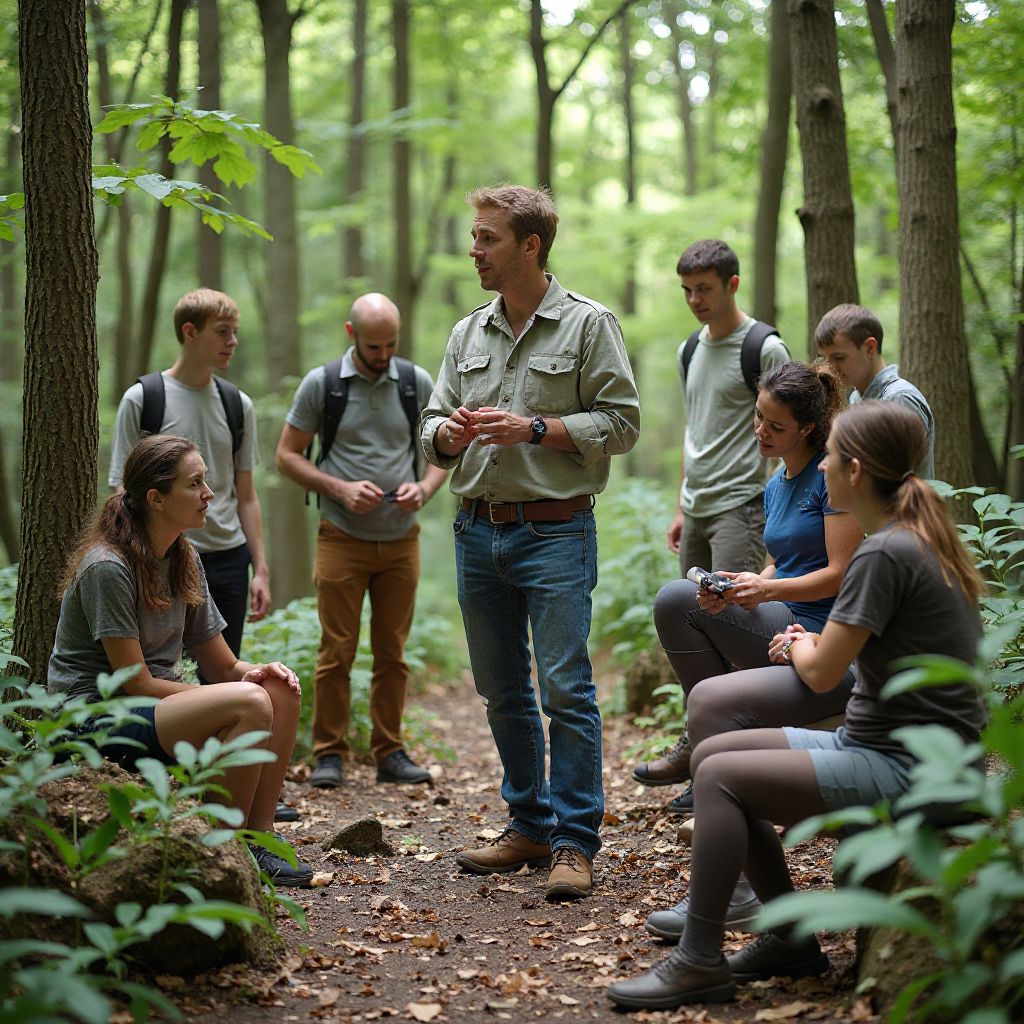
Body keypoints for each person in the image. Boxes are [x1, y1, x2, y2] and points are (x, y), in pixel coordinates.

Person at [607, 400, 987, 1011]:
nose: (825, 467)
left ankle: (699, 959)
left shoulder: (884, 553)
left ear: (855, 470)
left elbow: (823, 668)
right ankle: (788, 936)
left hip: (914, 768)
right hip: (893, 748)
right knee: (714, 757)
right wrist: (810, 643)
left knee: (723, 775)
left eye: (832, 455)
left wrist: (801, 642)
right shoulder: (906, 539)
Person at [421, 184, 640, 901]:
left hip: (556, 532)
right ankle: (530, 824)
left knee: (566, 689)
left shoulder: (587, 325)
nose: (474, 250)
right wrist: (446, 436)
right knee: (501, 691)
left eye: (488, 239)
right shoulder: (465, 334)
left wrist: (538, 429)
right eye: (475, 237)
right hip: (475, 531)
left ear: (531, 246)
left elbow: (623, 423)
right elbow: (430, 424)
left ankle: (576, 842)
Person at [48, 435, 313, 887]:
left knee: (276, 692)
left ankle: (258, 836)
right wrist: (237, 694)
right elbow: (136, 684)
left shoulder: (182, 557)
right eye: (195, 484)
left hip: (152, 708)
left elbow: (225, 668)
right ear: (156, 498)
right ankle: (226, 858)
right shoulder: (108, 567)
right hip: (91, 718)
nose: (209, 494)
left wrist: (260, 673)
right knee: (251, 702)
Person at [634, 362, 863, 815]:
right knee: (677, 599)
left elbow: (840, 572)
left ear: (808, 428)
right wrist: (747, 584)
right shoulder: (776, 484)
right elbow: (782, 561)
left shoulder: (829, 477)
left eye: (776, 425)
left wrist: (767, 592)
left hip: (826, 638)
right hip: (784, 620)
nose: (760, 431)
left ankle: (714, 765)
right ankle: (709, 749)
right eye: (758, 417)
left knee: (678, 601)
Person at [275, 293, 449, 789]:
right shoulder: (323, 385)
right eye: (374, 346)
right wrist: (339, 488)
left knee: (393, 652)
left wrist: (426, 487)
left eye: (391, 344)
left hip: (401, 540)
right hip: (340, 536)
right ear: (351, 335)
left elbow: (440, 452)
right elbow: (286, 456)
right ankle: (329, 752)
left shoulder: (415, 383)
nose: (384, 354)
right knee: (337, 651)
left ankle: (389, 751)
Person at [668, 240, 791, 578]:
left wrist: (782, 516)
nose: (695, 299)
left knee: (733, 618)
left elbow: (791, 438)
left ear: (732, 284)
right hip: (694, 510)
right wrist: (680, 509)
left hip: (742, 507)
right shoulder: (688, 351)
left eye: (704, 289)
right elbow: (693, 429)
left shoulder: (765, 349)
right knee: (689, 618)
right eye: (688, 290)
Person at [815, 303, 935, 478]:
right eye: (826, 359)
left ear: (870, 348)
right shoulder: (856, 398)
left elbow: (897, 481)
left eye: (839, 357)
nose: (830, 368)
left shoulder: (900, 400)